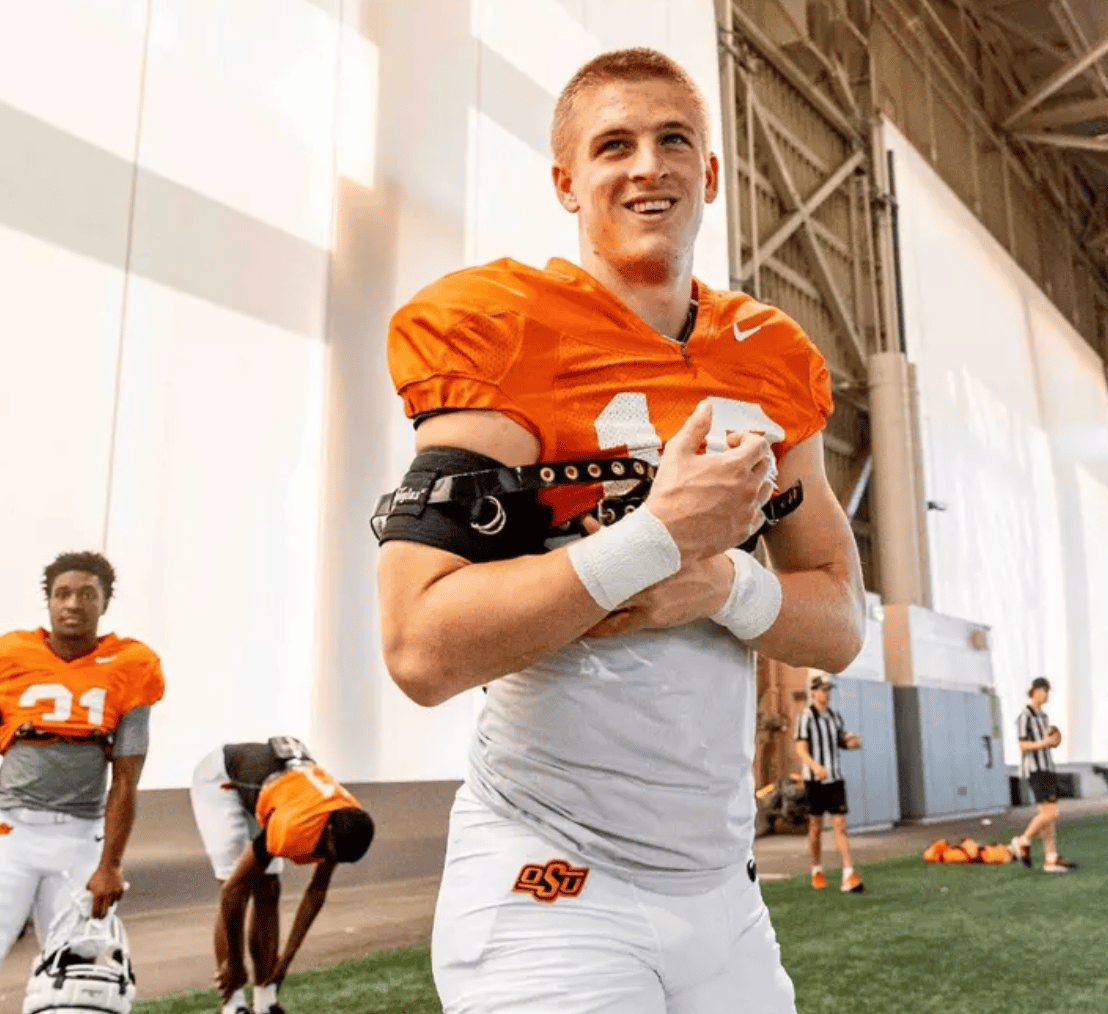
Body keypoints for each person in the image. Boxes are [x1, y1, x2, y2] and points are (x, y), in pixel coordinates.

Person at [376, 47, 866, 1014]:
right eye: (615, 145)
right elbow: (420, 647)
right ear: (566, 181)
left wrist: (721, 584)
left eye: (673, 140)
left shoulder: (769, 356)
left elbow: (841, 622)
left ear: (710, 174)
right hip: (551, 872)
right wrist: (657, 539)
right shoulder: (502, 327)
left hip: (723, 892)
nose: (649, 165)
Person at [0, 551, 165, 966]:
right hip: (10, 829)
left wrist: (111, 864)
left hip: (80, 836)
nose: (73, 604)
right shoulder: (11, 655)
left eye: (87, 594)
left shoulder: (130, 664)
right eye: (62, 594)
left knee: (76, 973)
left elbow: (126, 780)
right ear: (49, 602)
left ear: (104, 603)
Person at [190, 737, 376, 1014]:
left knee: (269, 888)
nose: (327, 861)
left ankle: (265, 1003)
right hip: (222, 781)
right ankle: (234, 1005)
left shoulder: (347, 820)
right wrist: (236, 964)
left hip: (277, 791)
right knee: (234, 880)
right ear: (327, 832)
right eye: (329, 853)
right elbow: (233, 892)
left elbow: (317, 890)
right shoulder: (294, 828)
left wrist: (286, 960)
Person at [794, 673, 863, 892]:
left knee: (840, 824)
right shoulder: (806, 717)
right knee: (815, 827)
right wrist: (815, 766)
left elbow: (840, 740)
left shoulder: (834, 716)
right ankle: (816, 870)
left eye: (828, 690)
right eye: (822, 690)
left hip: (835, 778)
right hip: (814, 780)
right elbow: (800, 748)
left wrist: (851, 743)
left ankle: (848, 873)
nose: (826, 694)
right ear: (813, 692)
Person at [1010, 677, 1077, 873]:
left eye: (1047, 691)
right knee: (1051, 813)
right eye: (1044, 690)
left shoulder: (1044, 716)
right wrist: (1043, 743)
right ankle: (1023, 841)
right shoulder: (1025, 716)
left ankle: (1051, 858)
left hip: (1047, 767)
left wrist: (1054, 740)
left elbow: (1047, 741)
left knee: (1048, 817)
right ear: (1035, 691)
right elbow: (1023, 745)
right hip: (1035, 769)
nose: (1046, 695)